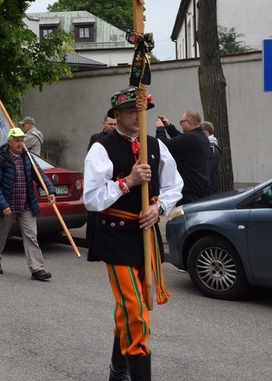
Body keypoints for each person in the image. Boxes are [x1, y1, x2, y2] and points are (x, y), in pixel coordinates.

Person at [83, 88, 183, 381]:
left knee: (130, 307)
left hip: (145, 234)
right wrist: (127, 182)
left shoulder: (155, 146)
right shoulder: (101, 148)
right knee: (134, 309)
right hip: (114, 235)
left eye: (141, 111)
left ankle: (118, 370)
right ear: (116, 115)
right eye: (131, 112)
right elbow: (92, 199)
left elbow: (174, 185)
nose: (138, 117)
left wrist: (159, 208)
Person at [0, 127, 56, 281]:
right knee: (0, 235)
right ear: (9, 141)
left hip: (26, 205)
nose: (20, 143)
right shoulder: (0, 160)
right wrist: (3, 204)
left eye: (22, 140)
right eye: (17, 140)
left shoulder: (28, 158)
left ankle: (37, 269)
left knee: (31, 236)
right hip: (7, 207)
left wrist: (50, 190)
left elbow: (40, 176)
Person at [155, 110, 210, 205]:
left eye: (181, 122)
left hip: (189, 192)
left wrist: (160, 129)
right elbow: (181, 139)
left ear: (188, 122)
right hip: (199, 188)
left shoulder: (191, 138)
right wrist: (169, 127)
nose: (180, 124)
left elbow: (164, 145)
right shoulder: (200, 136)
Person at [201, 121, 221, 195]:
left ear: (206, 133)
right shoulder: (209, 147)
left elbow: (210, 170)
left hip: (209, 188)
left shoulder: (212, 149)